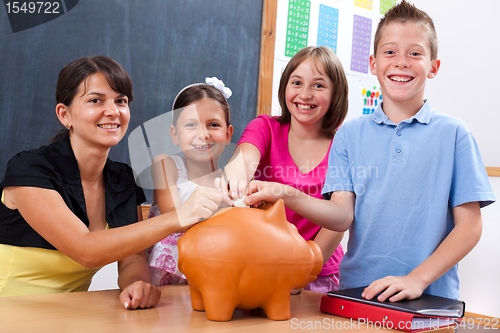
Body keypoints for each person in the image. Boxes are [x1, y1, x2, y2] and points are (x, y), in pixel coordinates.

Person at [238, 1, 495, 301]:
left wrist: (417, 279)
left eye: (415, 53)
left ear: (433, 67)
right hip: (357, 292)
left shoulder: (455, 134)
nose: (401, 62)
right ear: (373, 64)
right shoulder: (349, 135)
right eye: (390, 52)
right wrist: (283, 192)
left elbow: (470, 227)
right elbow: (341, 216)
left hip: (430, 297)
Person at [0, 56, 223, 308]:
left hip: (71, 312)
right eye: (96, 100)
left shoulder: (122, 179)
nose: (113, 111)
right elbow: (85, 250)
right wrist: (178, 217)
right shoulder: (31, 169)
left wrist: (136, 283)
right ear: (65, 115)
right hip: (8, 311)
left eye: (121, 101)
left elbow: (131, 258)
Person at [217, 46, 348, 293]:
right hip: (262, 266)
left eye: (318, 85)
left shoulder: (342, 145)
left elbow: (337, 222)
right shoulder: (265, 127)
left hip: (318, 273)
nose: (305, 94)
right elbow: (244, 158)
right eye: (296, 82)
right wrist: (234, 178)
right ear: (285, 87)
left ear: (335, 94)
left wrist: (303, 271)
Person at [147, 77, 234, 286]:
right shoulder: (166, 165)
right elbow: (173, 213)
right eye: (191, 125)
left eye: (213, 125)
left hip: (210, 276)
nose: (203, 134)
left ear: (228, 133)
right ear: (175, 135)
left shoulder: (231, 180)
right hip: (165, 280)